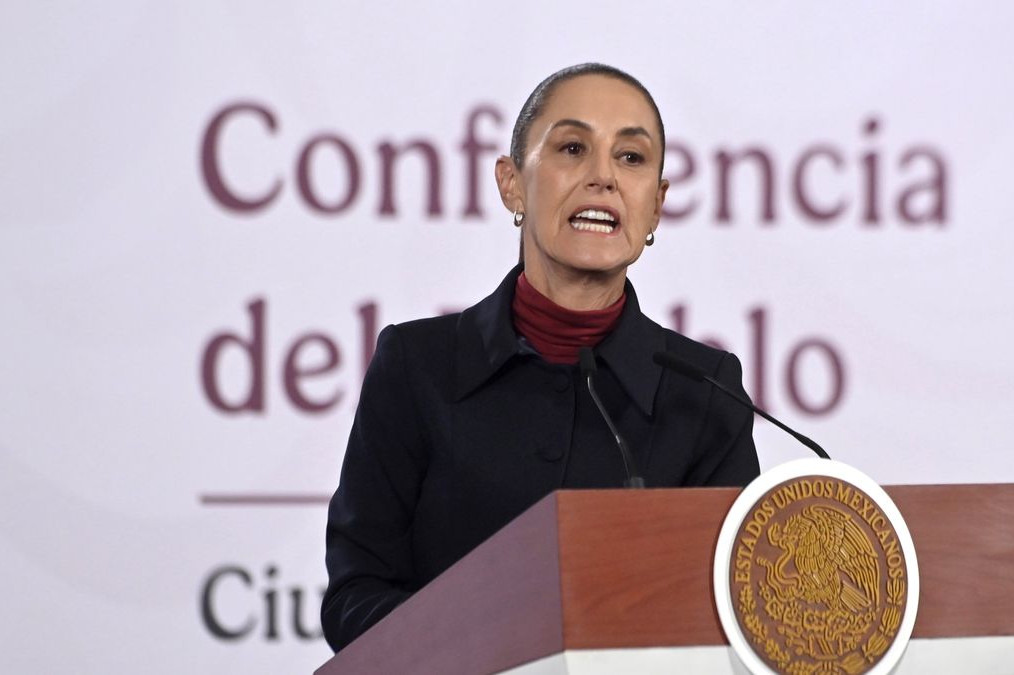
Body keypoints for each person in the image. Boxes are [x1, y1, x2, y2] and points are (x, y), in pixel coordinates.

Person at [321, 63, 760, 652]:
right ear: (512, 184)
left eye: (631, 158)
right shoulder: (417, 366)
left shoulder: (705, 392)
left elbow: (731, 618)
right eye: (573, 148)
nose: (602, 177)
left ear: (655, 206)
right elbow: (356, 595)